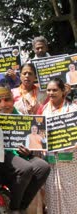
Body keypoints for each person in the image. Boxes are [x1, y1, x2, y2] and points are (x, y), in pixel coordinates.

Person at [0, 86, 50, 214]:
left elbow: (30, 142)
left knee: (43, 167)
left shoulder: (19, 115)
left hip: (17, 155)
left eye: (7, 100)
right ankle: (14, 209)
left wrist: (28, 151)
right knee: (25, 168)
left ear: (13, 101)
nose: (3, 104)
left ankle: (20, 206)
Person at [38, 78, 77, 214]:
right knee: (52, 192)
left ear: (62, 91)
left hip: (70, 161)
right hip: (50, 160)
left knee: (71, 193)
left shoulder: (72, 110)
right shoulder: (43, 111)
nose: (51, 93)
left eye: (55, 90)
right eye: (49, 90)